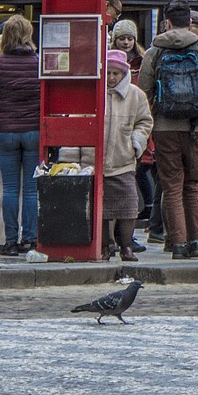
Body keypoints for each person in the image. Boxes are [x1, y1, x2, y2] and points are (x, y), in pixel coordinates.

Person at [137, 4, 198, 259]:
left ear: (167, 23)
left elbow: (143, 88)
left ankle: (177, 243)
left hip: (165, 126)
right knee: (193, 184)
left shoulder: (154, 51)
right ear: (189, 23)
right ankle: (197, 241)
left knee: (171, 186)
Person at [64, 52, 154, 260]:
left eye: (116, 73)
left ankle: (127, 246)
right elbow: (77, 122)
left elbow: (144, 121)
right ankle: (106, 245)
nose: (112, 77)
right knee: (101, 208)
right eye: (109, 73)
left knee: (128, 205)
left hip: (122, 160)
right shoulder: (91, 92)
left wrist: (136, 142)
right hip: (92, 160)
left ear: (124, 73)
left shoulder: (135, 94)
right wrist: (72, 157)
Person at [0, 14, 42, 256]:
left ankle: (10, 242)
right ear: (29, 36)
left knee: (9, 189)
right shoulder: (38, 63)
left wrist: (1, 111)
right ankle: (30, 239)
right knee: (30, 189)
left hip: (4, 131)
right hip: (33, 131)